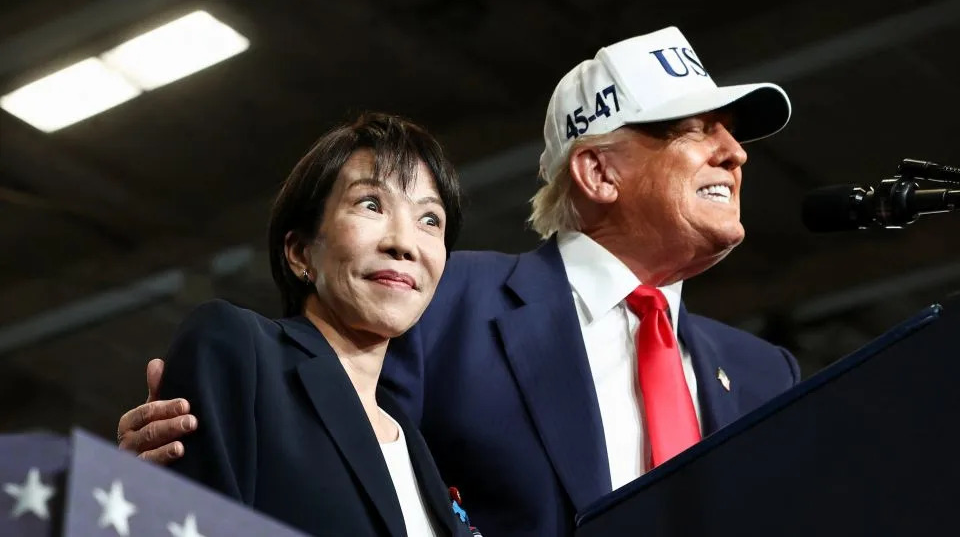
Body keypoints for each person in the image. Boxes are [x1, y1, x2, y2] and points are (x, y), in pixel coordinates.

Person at [119, 27, 800, 536]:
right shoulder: (447, 305)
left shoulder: (767, 372)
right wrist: (143, 492)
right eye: (693, 128)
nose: (735, 152)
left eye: (430, 220)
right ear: (598, 172)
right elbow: (317, 449)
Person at [149, 113, 477, 536]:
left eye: (430, 220)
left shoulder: (411, 435)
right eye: (371, 204)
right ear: (301, 252)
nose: (404, 243)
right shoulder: (239, 350)